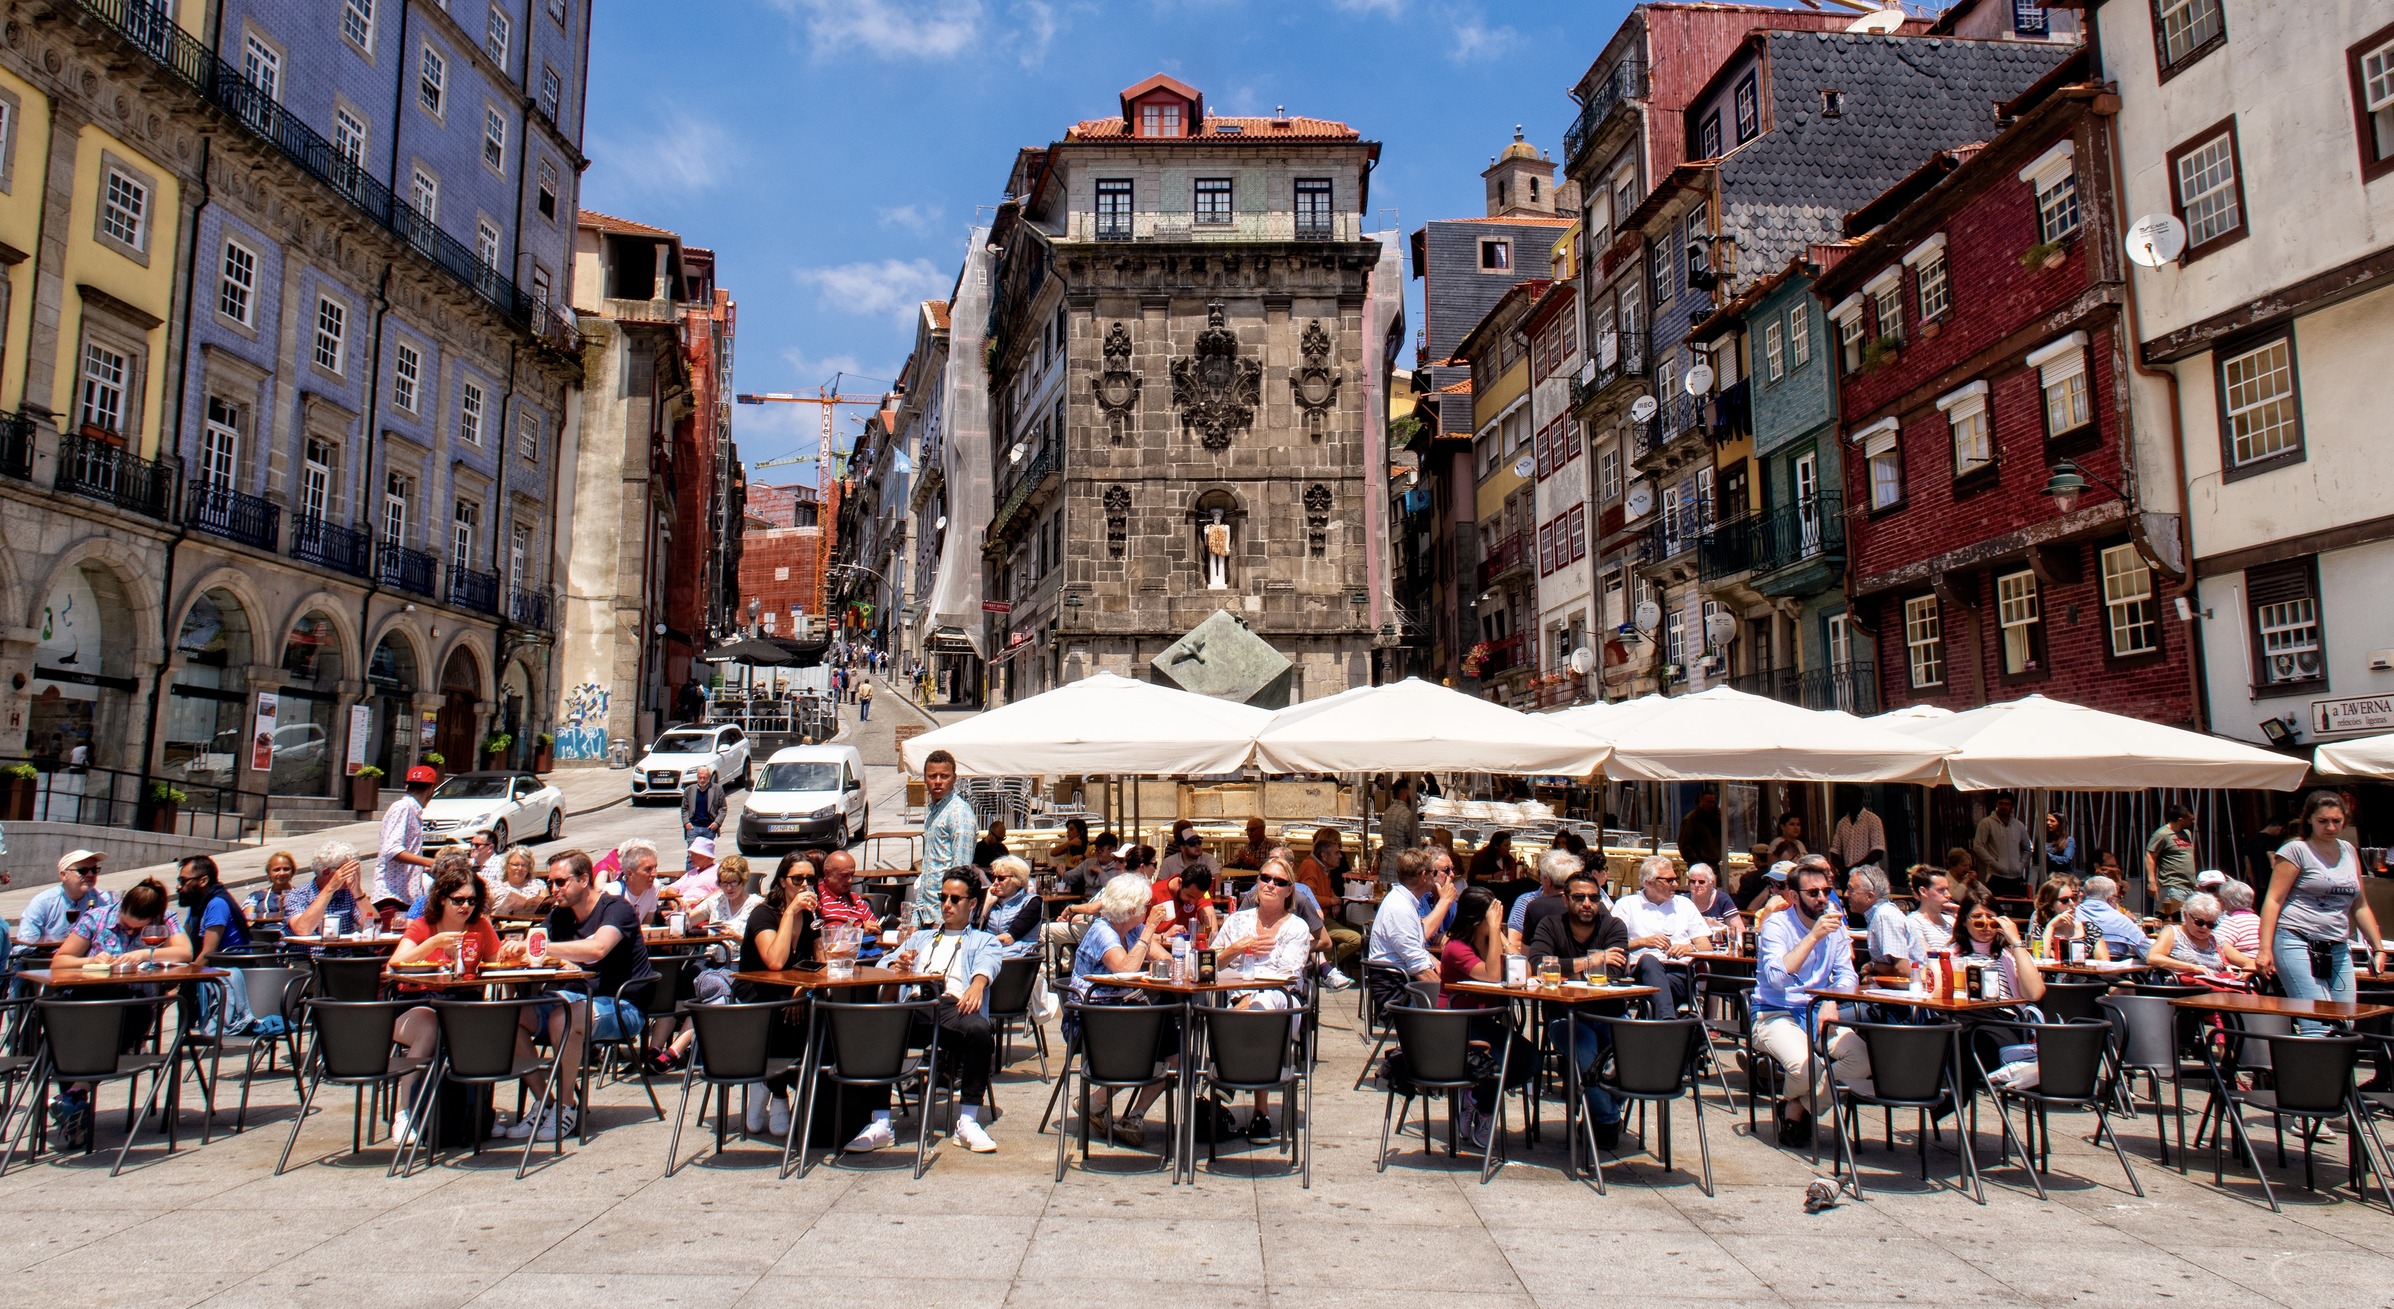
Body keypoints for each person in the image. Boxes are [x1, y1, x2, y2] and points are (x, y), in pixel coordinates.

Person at [511, 850, 657, 1142]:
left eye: (560, 882)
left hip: (623, 1005)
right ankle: (545, 1102)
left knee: (564, 1017)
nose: (554, 889)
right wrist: (523, 949)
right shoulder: (559, 914)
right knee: (510, 1017)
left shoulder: (616, 909)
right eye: (550, 883)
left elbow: (598, 948)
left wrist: (544, 949)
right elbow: (533, 942)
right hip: (572, 997)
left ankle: (567, 1106)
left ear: (584, 879)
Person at [47, 878, 191, 1145]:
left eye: (138, 928)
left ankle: (73, 1100)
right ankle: (75, 1099)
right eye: (126, 924)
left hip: (135, 1007)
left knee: (105, 1027)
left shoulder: (164, 919)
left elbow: (185, 952)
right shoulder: (96, 918)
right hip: (94, 1002)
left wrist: (144, 954)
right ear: (121, 906)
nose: (130, 930)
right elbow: (60, 961)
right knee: (75, 1026)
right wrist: (92, 959)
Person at [388, 865, 520, 1143]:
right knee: (430, 1028)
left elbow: (497, 962)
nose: (465, 907)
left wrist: (511, 953)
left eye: (472, 900)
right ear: (441, 899)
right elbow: (395, 964)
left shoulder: (479, 926)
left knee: (487, 1025)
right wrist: (434, 943)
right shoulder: (423, 926)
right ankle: (405, 1111)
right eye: (458, 900)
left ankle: (478, 1113)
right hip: (418, 1002)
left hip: (461, 1003)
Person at [880, 872, 1001, 1153]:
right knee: (878, 1024)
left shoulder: (984, 940)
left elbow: (989, 963)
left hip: (952, 1005)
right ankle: (880, 1121)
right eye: (943, 897)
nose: (947, 904)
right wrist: (897, 967)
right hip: (914, 1004)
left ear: (972, 903)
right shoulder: (920, 938)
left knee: (980, 1031)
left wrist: (978, 984)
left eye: (955, 899)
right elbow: (885, 963)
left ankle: (968, 1121)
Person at [1752, 862, 1870, 1148]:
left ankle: (1797, 1106)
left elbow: (1847, 975)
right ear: (1794, 896)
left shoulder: (1835, 924)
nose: (1822, 898)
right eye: (1813, 892)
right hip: (1775, 1011)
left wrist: (1830, 999)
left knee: (1862, 1058)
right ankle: (1801, 1102)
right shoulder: (1777, 925)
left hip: (1817, 1011)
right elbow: (1777, 979)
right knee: (1808, 1069)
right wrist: (1814, 936)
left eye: (1826, 891)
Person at [2262, 790, 2388, 1033]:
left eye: (2336, 821)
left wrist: (2378, 947)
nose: (2330, 827)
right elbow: (2273, 901)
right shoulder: (2295, 850)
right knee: (2318, 1023)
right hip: (2296, 939)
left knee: (2346, 1022)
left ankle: (2332, 1059)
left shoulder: (2348, 850)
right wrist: (2264, 949)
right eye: (2323, 821)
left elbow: (2360, 905)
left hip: (2337, 944)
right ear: (2309, 819)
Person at [1066, 873, 1176, 1146]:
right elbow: (1125, 972)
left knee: (1175, 1049)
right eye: (1144, 906)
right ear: (1130, 910)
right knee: (1150, 1038)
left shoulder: (1132, 930)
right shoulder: (1102, 932)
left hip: (1122, 1013)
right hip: (1092, 1020)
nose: (1148, 910)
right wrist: (1150, 930)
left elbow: (1166, 959)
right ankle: (1095, 1103)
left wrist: (1162, 956)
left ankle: (1134, 1116)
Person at [1521, 871, 1629, 1151]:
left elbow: (1614, 972)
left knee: (1631, 1050)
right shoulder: (1550, 925)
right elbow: (1537, 965)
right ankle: (1607, 1119)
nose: (1587, 904)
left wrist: (1564, 967)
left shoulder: (1614, 926)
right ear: (1565, 899)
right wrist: (1593, 960)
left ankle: (1600, 1112)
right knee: (1584, 1044)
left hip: (1610, 1014)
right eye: (1579, 897)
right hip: (1564, 1015)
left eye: (1593, 898)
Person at [1215, 858, 1315, 1143]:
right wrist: (1238, 948)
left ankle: (1230, 1077)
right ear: (1257, 882)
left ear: (1289, 890)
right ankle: (1261, 1114)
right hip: (1239, 1000)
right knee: (1248, 1013)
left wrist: (1249, 993)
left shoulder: (1297, 927)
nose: (1271, 885)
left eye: (1279, 882)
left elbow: (1286, 976)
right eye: (1265, 878)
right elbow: (1210, 963)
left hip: (1281, 1001)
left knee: (1262, 1006)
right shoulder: (1237, 921)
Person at [729, 855, 822, 1135]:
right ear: (782, 881)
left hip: (791, 992)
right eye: (797, 879)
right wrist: (790, 913)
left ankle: (777, 1084)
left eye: (810, 879)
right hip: (757, 994)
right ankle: (777, 1090)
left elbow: (821, 963)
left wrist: (802, 988)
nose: (805, 885)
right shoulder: (764, 914)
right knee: (784, 1014)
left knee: (820, 1015)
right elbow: (775, 961)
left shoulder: (810, 916)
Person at [1365, 849, 1456, 1023]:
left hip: (1405, 986)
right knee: (1462, 1012)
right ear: (1423, 876)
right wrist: (1448, 998)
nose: (1435, 877)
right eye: (1433, 873)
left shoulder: (1405, 901)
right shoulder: (1400, 907)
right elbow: (1420, 969)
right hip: (1399, 995)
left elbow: (1417, 944)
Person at [1612, 855, 1713, 1011]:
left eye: (1676, 879)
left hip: (1679, 973)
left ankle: (1660, 1018)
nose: (1676, 884)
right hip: (1639, 973)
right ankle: (1667, 1019)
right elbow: (1614, 947)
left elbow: (1707, 947)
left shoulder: (1684, 905)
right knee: (1649, 960)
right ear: (1649, 882)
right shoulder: (1626, 905)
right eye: (1669, 880)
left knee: (1659, 988)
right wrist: (1643, 942)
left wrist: (1689, 948)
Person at [14, 849, 114, 970]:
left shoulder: (103, 901)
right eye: (82, 871)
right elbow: (26, 943)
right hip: (44, 964)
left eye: (94, 870)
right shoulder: (44, 902)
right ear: (63, 875)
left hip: (87, 964)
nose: (90, 875)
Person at [913, 750, 978, 926]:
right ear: (925, 778)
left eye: (944, 776)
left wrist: (946, 920)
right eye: (932, 776)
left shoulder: (959, 813)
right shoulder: (934, 812)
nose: (938, 781)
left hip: (944, 914)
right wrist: (916, 916)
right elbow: (929, 867)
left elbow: (961, 872)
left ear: (954, 778)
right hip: (926, 912)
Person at [1950, 891, 2046, 1003]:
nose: (1986, 924)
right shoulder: (1951, 955)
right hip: (1966, 1010)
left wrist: (2016, 942)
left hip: (2005, 1011)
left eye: (1991, 918)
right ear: (1964, 921)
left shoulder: (2012, 954)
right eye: (1977, 917)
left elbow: (2035, 994)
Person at [375, 765, 439, 913]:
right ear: (431, 789)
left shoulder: (412, 810)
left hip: (406, 896)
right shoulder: (403, 807)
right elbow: (393, 850)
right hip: (392, 896)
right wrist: (431, 862)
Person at [2146, 891, 2251, 978]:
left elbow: (2249, 963)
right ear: (2186, 916)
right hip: (2182, 989)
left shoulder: (2215, 941)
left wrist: (2247, 971)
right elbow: (2153, 957)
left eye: (2210, 924)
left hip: (2213, 989)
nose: (2204, 927)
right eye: (2199, 922)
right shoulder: (2172, 932)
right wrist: (2192, 967)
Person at [1847, 864, 1919, 984]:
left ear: (1869, 896)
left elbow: (1903, 971)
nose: (1846, 895)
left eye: (1851, 890)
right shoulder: (1879, 915)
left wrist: (1873, 967)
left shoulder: (1885, 916)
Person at [285, 841, 370, 939]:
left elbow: (373, 926)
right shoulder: (298, 895)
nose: (351, 875)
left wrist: (358, 893)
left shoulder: (349, 894)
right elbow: (303, 929)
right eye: (346, 870)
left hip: (343, 949)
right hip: (308, 949)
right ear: (326, 872)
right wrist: (330, 888)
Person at [175, 855, 251, 961]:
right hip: (211, 966)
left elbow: (208, 954)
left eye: (183, 881)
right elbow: (186, 942)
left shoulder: (217, 904)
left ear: (203, 881)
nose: (178, 886)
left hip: (229, 967)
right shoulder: (196, 903)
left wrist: (187, 971)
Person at [1506, 848, 1580, 954]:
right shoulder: (1527, 901)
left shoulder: (1582, 902)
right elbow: (1515, 943)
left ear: (1547, 881)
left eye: (1540, 874)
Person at [2076, 875, 2153, 964]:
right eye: (2116, 897)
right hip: (2113, 968)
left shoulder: (2073, 914)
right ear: (2110, 898)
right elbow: (2149, 952)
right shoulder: (2120, 920)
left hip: (2075, 965)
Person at [979, 855, 1043, 958]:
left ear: (1017, 880)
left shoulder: (1032, 902)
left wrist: (979, 943)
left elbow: (1008, 938)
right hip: (990, 953)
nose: (995, 883)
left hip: (1017, 958)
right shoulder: (991, 900)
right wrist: (986, 905)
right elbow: (974, 931)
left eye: (1001, 878)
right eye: (993, 877)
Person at [1971, 794, 2032, 898]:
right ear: (1996, 804)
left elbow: (2027, 848)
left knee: (2020, 905)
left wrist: (2021, 865)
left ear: (2012, 806)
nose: (2003, 806)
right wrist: (1994, 864)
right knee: (1995, 905)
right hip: (1996, 875)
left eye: (2007, 804)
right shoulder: (1986, 823)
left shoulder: (2019, 825)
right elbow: (1978, 846)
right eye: (2001, 803)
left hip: (2016, 876)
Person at [2145, 804, 2199, 917]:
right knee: (2174, 919)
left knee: (2189, 919)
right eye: (2190, 819)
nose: (2192, 822)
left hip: (2189, 887)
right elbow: (2150, 856)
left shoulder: (2187, 833)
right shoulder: (2162, 834)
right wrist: (2152, 881)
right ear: (2180, 820)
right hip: (2173, 885)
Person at [688, 856, 760, 936]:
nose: (729, 888)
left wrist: (734, 936)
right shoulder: (716, 901)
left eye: (734, 882)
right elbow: (686, 921)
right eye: (724, 883)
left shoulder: (757, 905)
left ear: (743, 881)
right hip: (714, 944)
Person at [814, 849, 878, 931]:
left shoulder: (856, 899)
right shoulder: (818, 898)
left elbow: (876, 926)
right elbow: (831, 933)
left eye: (852, 875)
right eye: (844, 875)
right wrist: (860, 930)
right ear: (827, 873)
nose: (850, 880)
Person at [605, 839, 664, 924]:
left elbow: (647, 924)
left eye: (655, 868)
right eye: (648, 869)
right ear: (630, 874)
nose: (654, 874)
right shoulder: (613, 892)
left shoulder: (654, 886)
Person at [1829, 789, 1888, 872]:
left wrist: (1855, 868)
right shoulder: (1842, 823)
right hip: (1849, 874)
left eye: (1848, 797)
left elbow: (1878, 852)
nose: (1846, 801)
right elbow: (1834, 852)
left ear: (1859, 798)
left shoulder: (1873, 820)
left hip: (1868, 874)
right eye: (1844, 798)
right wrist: (1843, 869)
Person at [1377, 776, 1420, 882]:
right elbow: (1415, 846)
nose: (1415, 796)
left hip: (1385, 868)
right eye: (1412, 793)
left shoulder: (1387, 813)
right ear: (1404, 795)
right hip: (1402, 871)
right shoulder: (1409, 815)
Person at [488, 846, 549, 917]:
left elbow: (545, 909)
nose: (519, 868)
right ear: (506, 865)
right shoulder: (494, 887)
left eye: (524, 865)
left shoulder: (539, 885)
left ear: (529, 868)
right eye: (515, 865)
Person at [1295, 826, 1349, 904]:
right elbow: (1308, 898)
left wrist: (1335, 899)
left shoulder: (1324, 867)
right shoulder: (1310, 866)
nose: (1340, 856)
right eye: (1336, 853)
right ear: (1324, 856)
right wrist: (1331, 901)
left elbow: (1328, 891)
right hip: (1316, 911)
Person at [2215, 878, 2262, 961]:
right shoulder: (2259, 920)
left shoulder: (2232, 923)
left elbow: (2215, 946)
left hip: (2242, 965)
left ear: (2224, 903)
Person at [1677, 791, 1723, 872]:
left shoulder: (1715, 817)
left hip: (1713, 863)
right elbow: (1684, 845)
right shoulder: (1691, 819)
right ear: (1700, 802)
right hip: (1699, 865)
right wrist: (1696, 862)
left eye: (1713, 802)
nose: (1711, 805)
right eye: (1708, 802)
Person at [244, 851, 299, 920]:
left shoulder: (301, 895)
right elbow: (247, 920)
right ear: (269, 873)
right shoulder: (256, 896)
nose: (281, 873)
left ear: (292, 872)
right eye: (276, 870)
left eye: (286, 869)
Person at [682, 764, 727, 845]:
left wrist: (717, 823)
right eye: (700, 777)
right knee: (692, 852)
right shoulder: (689, 790)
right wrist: (686, 823)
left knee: (706, 852)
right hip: (693, 828)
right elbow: (684, 808)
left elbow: (723, 808)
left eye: (704, 778)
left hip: (709, 828)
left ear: (709, 778)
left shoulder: (717, 789)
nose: (702, 780)